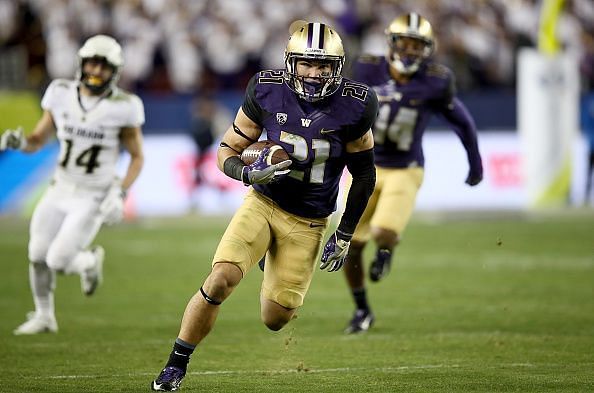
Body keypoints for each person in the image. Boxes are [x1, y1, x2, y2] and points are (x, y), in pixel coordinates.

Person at [151, 21, 378, 391]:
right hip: (263, 203)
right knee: (220, 279)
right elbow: (227, 150)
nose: (314, 73)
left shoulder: (356, 105)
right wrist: (246, 174)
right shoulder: (266, 89)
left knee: (276, 318)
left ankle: (267, 261)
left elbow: (365, 175)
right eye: (306, 63)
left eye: (323, 66)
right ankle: (176, 364)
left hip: (309, 221)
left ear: (338, 67)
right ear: (291, 62)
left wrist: (346, 231)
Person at [342, 12, 483, 334]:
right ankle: (362, 309)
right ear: (390, 42)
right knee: (349, 246)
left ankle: (386, 250)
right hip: (365, 167)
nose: (409, 51)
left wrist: (475, 163)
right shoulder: (365, 68)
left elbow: (462, 122)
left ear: (427, 49)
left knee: (384, 232)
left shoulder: (435, 80)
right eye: (404, 43)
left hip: (405, 168)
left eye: (416, 45)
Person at [0, 34, 144, 335]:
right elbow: (38, 139)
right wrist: (20, 142)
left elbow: (136, 157)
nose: (96, 70)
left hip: (93, 195)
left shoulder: (124, 106)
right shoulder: (60, 92)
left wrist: (120, 192)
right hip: (60, 187)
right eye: (92, 62)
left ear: (114, 72)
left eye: (103, 66)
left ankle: (89, 261)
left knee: (58, 259)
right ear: (81, 63)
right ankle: (44, 316)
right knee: (37, 254)